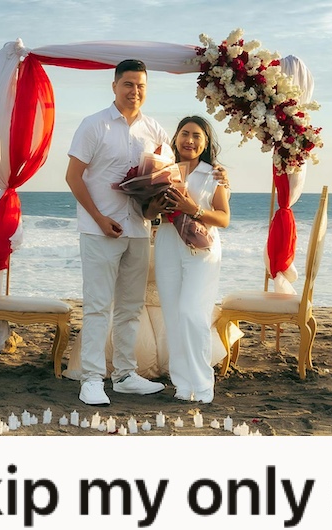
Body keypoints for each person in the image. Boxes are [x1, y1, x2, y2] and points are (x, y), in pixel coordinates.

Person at [65, 59, 170, 406]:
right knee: (97, 306)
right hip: (100, 230)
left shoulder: (154, 129)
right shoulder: (94, 125)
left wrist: (154, 211)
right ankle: (92, 378)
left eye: (140, 85)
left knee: (130, 307)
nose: (134, 91)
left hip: (138, 231)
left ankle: (125, 375)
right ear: (114, 86)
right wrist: (98, 218)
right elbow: (73, 177)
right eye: (128, 84)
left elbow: (166, 178)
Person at [145, 116, 230, 404]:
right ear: (176, 137)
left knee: (193, 314)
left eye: (196, 136)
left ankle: (203, 385)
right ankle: (182, 384)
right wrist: (154, 207)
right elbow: (149, 212)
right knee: (173, 316)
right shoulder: (164, 169)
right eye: (184, 133)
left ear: (205, 143)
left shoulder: (214, 174)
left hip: (202, 249)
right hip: (168, 241)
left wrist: (193, 209)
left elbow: (224, 218)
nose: (189, 140)